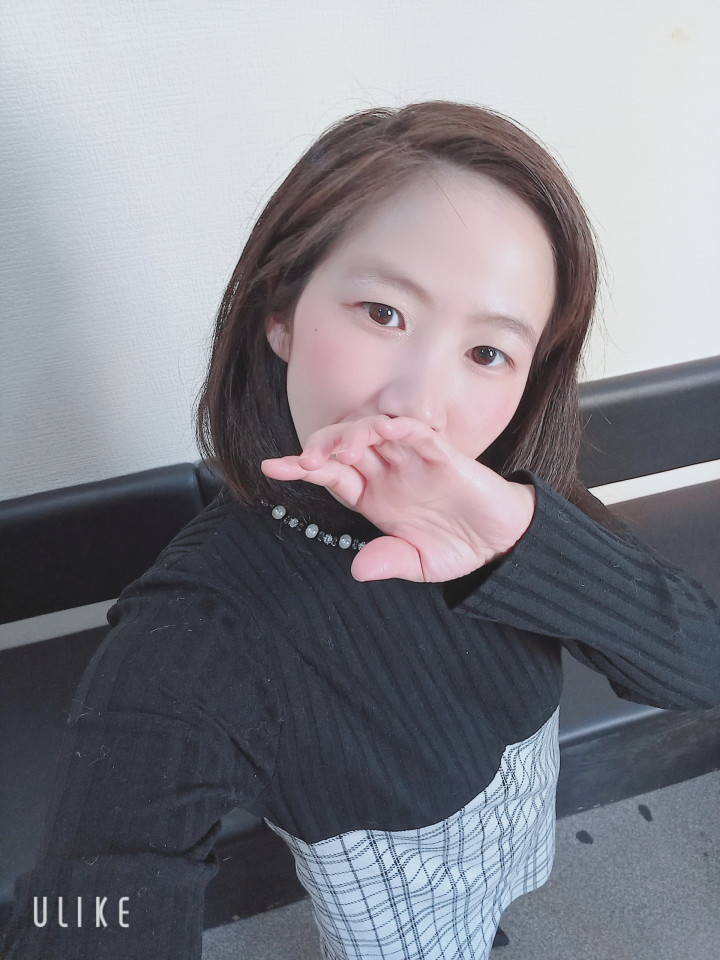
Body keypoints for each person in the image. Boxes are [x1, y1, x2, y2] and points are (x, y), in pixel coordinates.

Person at [3, 102, 719, 960]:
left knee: (496, 901)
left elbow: (703, 663)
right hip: (397, 896)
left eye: (487, 353)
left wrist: (521, 541)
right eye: (383, 313)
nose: (418, 404)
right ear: (280, 313)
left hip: (521, 800)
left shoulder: (516, 501)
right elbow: (90, 902)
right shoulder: (199, 627)